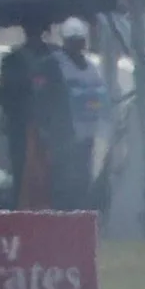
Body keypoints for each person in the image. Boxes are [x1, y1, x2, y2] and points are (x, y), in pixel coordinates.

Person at [0, 23, 59, 204]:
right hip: (23, 130)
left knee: (44, 177)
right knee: (23, 176)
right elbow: (2, 97)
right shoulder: (13, 60)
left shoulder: (54, 59)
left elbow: (59, 96)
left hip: (46, 132)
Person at [49, 19, 105, 211]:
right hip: (64, 137)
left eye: (80, 40)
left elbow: (101, 97)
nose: (78, 44)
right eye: (73, 40)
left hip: (87, 135)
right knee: (65, 184)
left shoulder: (91, 68)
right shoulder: (56, 64)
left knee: (83, 182)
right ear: (65, 41)